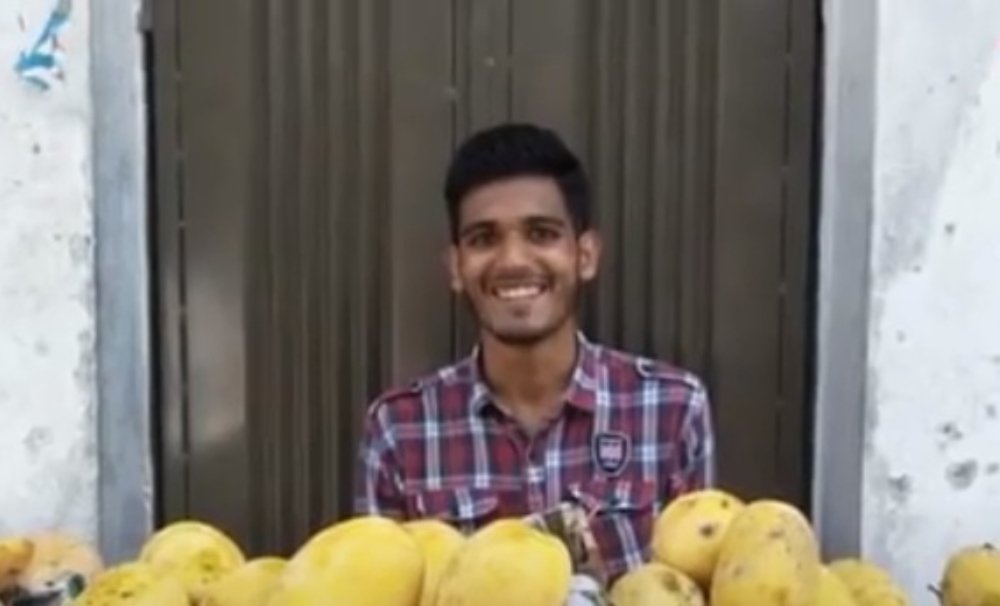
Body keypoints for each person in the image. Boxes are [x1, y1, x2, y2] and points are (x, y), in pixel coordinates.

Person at [354, 122, 715, 585]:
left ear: (585, 254)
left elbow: (699, 590)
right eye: (484, 238)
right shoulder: (398, 431)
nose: (513, 261)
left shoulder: (672, 410)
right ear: (456, 268)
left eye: (541, 233)